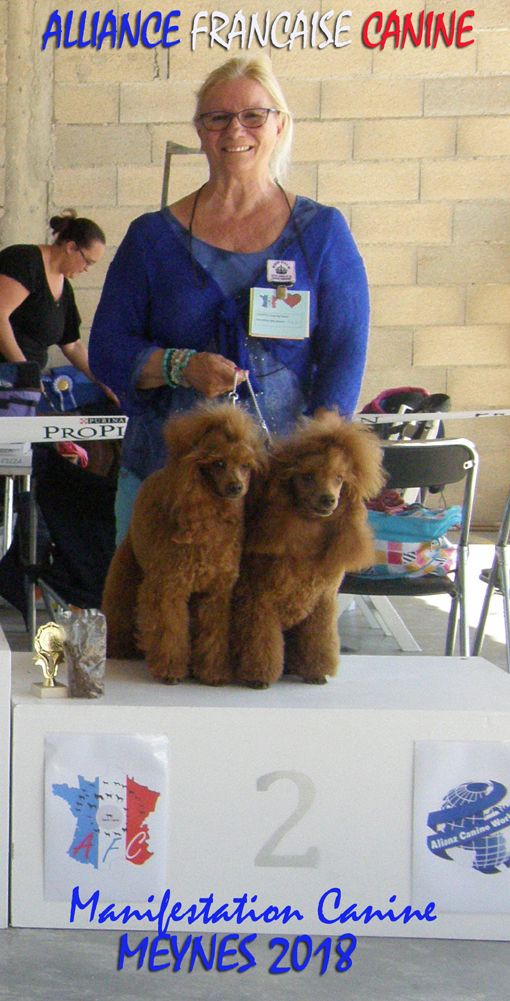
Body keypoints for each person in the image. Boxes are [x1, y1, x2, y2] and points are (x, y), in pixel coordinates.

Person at [89, 55, 370, 542]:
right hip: (166, 480)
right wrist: (181, 366)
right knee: (157, 614)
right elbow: (107, 348)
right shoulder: (151, 238)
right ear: (200, 131)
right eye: (217, 117)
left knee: (271, 615)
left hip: (280, 490)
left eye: (253, 115)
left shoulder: (322, 233)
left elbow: (345, 351)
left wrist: (313, 453)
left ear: (279, 126)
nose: (234, 129)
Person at [0, 209, 117, 402]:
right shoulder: (24, 261)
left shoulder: (65, 288)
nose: (86, 269)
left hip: (22, 384)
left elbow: (72, 346)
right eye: (87, 261)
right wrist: (25, 372)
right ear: (71, 247)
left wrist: (103, 381)